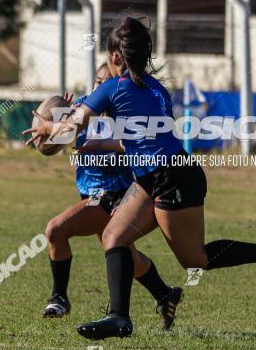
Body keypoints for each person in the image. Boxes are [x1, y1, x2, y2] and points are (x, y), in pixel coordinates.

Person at [25, 16, 256, 340]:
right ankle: (119, 318)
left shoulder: (114, 87)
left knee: (196, 259)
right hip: (157, 176)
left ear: (114, 57)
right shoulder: (156, 89)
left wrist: (45, 127)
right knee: (114, 237)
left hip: (170, 177)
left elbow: (69, 130)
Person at [41, 64, 183, 330]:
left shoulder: (125, 113)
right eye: (97, 82)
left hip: (116, 196)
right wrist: (51, 123)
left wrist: (100, 144)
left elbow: (134, 144)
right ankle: (165, 294)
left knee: (55, 230)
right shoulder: (84, 109)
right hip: (90, 194)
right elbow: (50, 142)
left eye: (106, 83)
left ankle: (59, 298)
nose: (99, 87)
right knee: (124, 254)